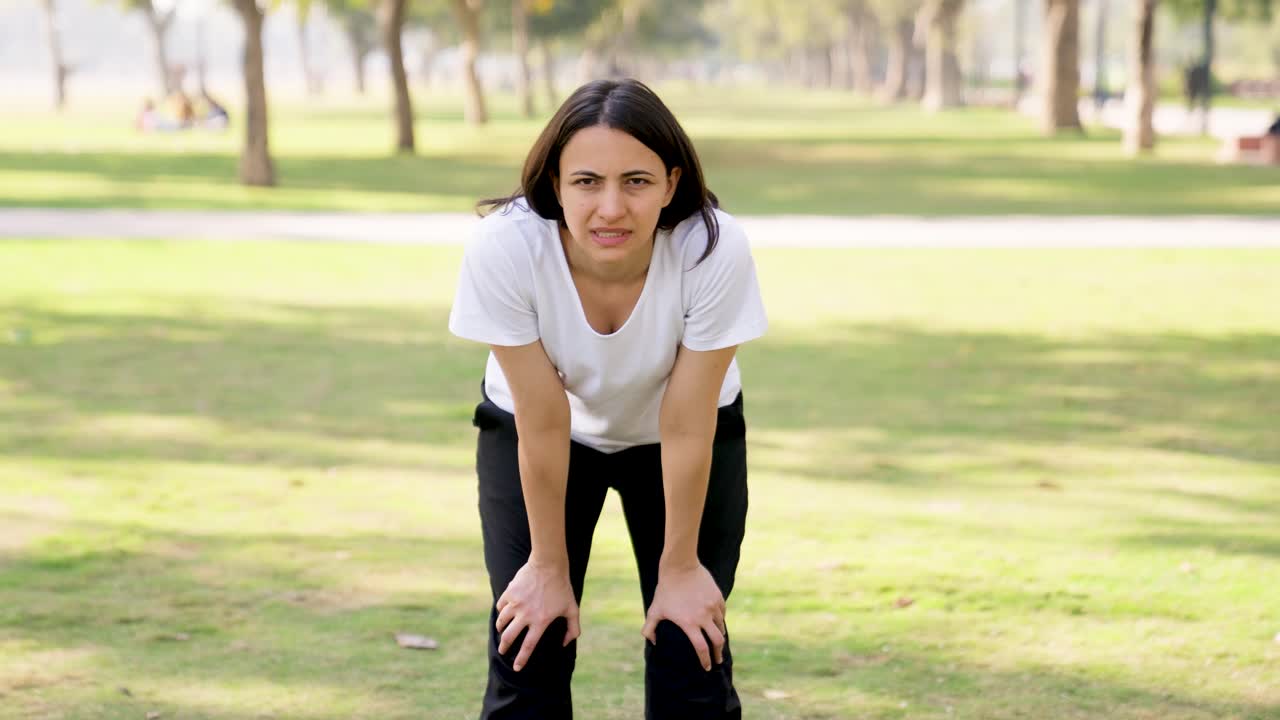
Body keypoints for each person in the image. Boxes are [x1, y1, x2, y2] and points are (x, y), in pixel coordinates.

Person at [448, 78, 768, 719]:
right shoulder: (506, 247)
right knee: (529, 640)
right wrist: (545, 565)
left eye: (638, 182)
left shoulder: (711, 248)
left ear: (672, 184)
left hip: (683, 437)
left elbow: (684, 423)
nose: (611, 208)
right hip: (540, 436)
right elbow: (542, 420)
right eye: (587, 181)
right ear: (555, 186)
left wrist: (679, 570)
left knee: (690, 644)